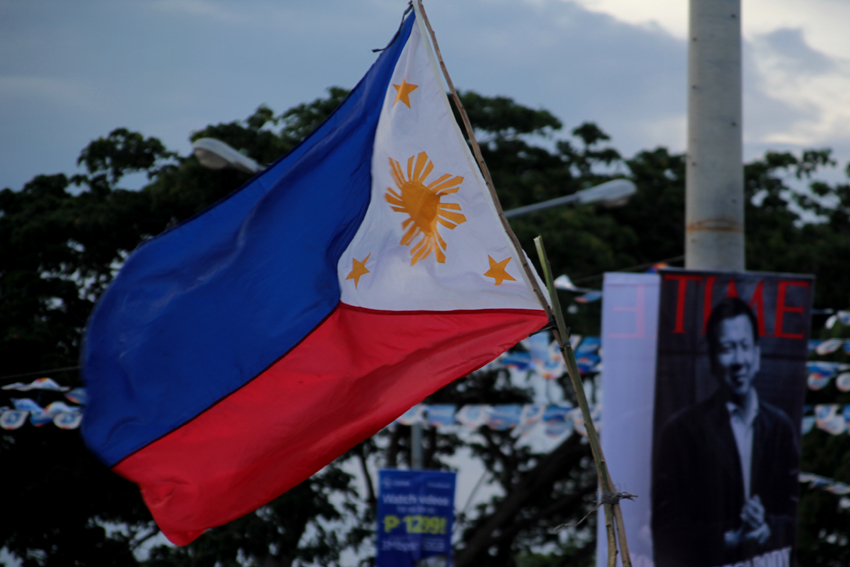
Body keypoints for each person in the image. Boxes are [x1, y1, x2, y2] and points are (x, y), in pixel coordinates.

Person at [652, 298, 800, 567]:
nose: (738, 361)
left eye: (744, 347)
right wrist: (728, 540)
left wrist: (766, 525)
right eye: (727, 349)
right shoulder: (682, 431)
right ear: (711, 357)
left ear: (757, 353)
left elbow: (794, 510)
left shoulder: (780, 426)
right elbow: (665, 526)